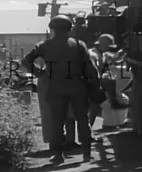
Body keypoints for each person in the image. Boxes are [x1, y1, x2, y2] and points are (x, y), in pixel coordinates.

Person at [22, 15, 99, 164]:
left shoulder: (44, 45)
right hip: (77, 85)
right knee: (82, 119)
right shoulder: (78, 44)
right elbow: (90, 67)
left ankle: (57, 154)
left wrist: (40, 73)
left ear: (52, 28)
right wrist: (95, 84)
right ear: (70, 28)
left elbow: (26, 61)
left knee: (56, 121)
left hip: (54, 85)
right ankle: (86, 153)